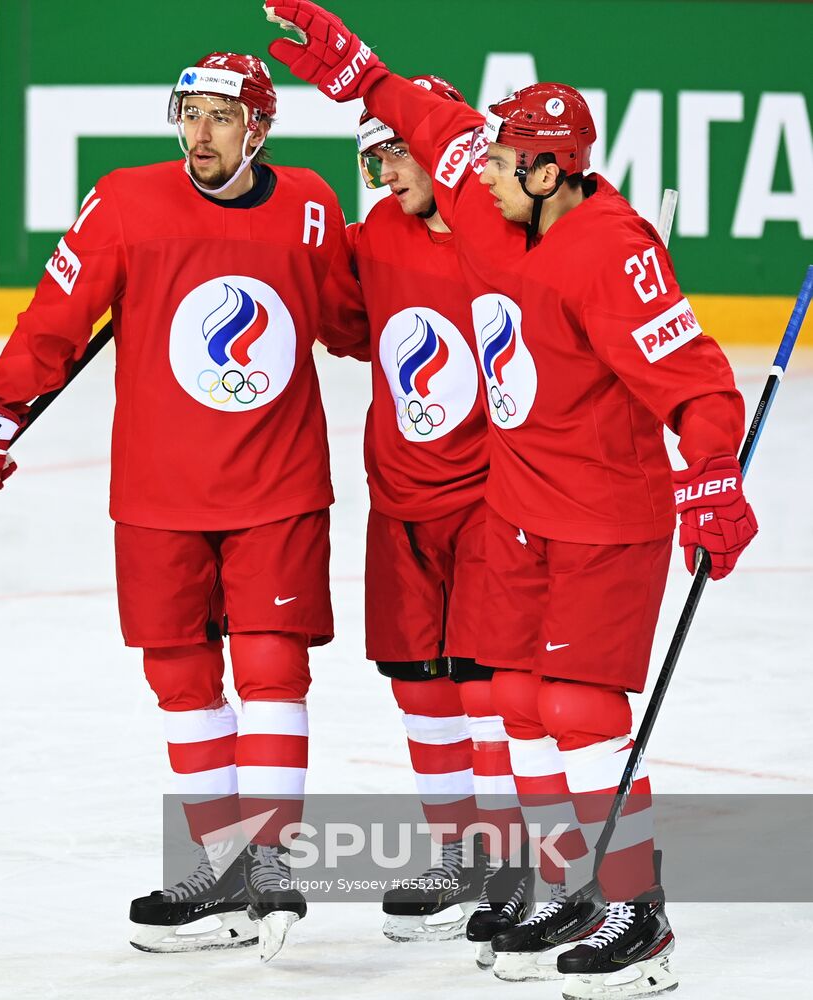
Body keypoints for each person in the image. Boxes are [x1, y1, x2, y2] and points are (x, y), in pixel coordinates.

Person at [265, 3, 757, 996]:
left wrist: (710, 474)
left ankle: (638, 911)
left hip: (602, 517)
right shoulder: (498, 210)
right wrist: (366, 75)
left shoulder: (611, 251)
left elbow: (700, 384)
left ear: (546, 173)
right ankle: (565, 887)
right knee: (520, 703)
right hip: (522, 512)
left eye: (500, 163)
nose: (477, 174)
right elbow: (441, 129)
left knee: (575, 707)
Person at [0, 51, 361, 962]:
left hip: (278, 484)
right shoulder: (125, 202)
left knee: (271, 667)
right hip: (156, 491)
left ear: (259, 128)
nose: (199, 134)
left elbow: (352, 322)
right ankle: (223, 870)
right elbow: (53, 320)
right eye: (190, 113)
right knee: (180, 679)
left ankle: (272, 860)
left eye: (221, 117)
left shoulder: (311, 205)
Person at [335, 75, 560, 961]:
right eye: (375, 160)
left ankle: (510, 860)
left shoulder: (502, 238)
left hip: (487, 497)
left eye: (396, 153)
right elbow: (346, 326)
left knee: (483, 686)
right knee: (418, 685)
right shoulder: (374, 235)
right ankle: (460, 853)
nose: (386, 173)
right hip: (398, 495)